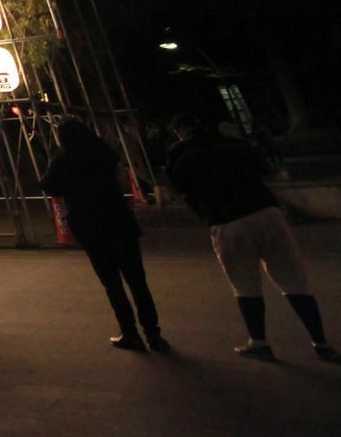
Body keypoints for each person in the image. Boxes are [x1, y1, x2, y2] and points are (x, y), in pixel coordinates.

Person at [168, 115, 337, 363]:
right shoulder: (233, 143)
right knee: (293, 281)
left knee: (245, 285)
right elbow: (263, 168)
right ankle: (321, 342)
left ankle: (259, 342)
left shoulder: (180, 153)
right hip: (265, 211)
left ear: (180, 131)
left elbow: (179, 186)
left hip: (226, 220)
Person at [40, 119, 166, 352]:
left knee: (113, 284)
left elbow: (49, 186)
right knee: (138, 282)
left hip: (91, 227)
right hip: (120, 221)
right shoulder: (103, 153)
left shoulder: (64, 160)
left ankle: (130, 333)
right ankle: (154, 334)